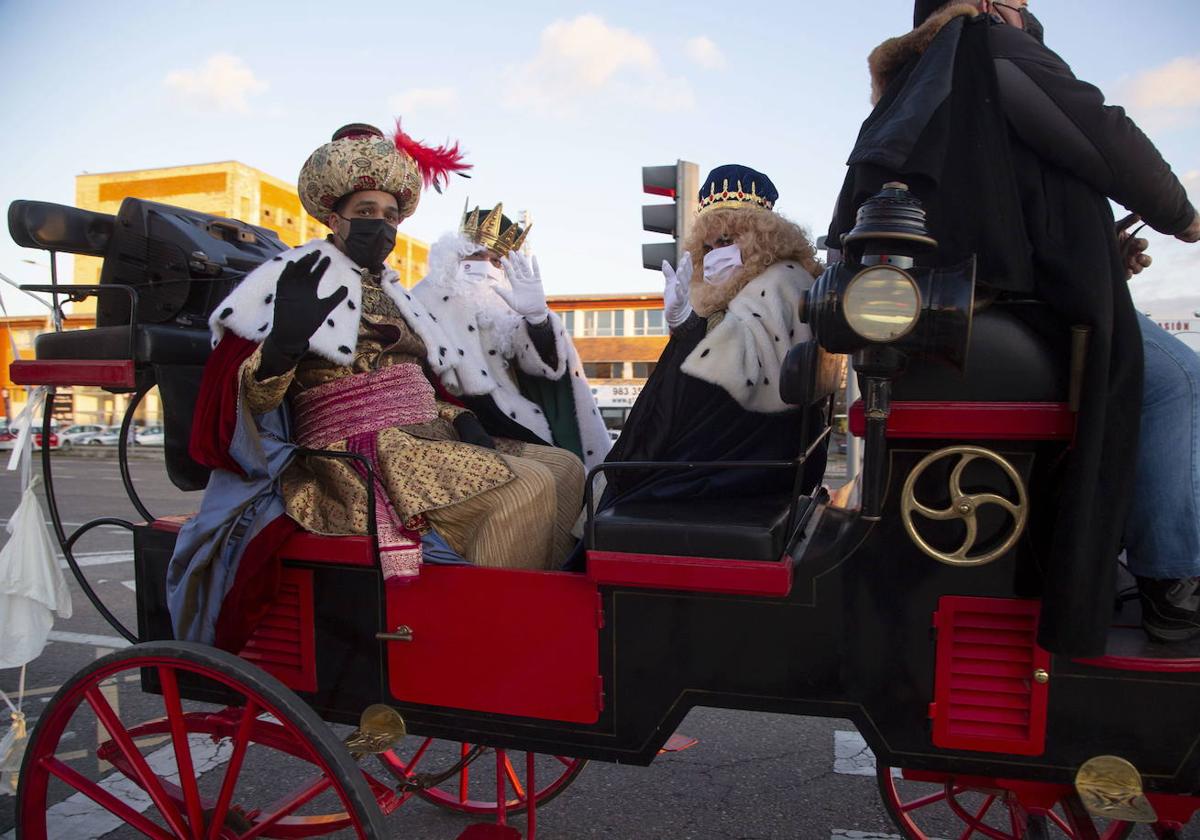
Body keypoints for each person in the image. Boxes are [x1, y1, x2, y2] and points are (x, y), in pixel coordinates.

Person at [826, 2, 1200, 654]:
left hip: (981, 305)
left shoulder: (927, 75)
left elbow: (996, 215)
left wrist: (1103, 249)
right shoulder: (986, 43)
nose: (1023, 10)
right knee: (1182, 383)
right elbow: (1103, 135)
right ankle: (1175, 585)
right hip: (1005, 313)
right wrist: (1182, 215)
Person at [168, 123, 564, 649]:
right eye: (366, 214)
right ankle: (480, 645)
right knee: (527, 489)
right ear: (334, 217)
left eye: (390, 216)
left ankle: (541, 619)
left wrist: (461, 418)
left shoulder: (395, 289)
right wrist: (284, 342)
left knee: (565, 467)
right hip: (354, 452)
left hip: (422, 432)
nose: (381, 226)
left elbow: (425, 382)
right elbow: (249, 401)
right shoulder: (291, 276)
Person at [586, 165, 827, 536]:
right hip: (731, 456)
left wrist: (687, 328)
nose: (716, 254)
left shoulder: (777, 284)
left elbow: (724, 382)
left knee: (619, 483)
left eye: (728, 241)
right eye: (709, 246)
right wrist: (686, 326)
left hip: (740, 464)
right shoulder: (755, 287)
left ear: (760, 238)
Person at [412, 202, 610, 560]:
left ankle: (554, 573)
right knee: (534, 482)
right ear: (454, 255)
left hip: (513, 421)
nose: (484, 266)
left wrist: (535, 318)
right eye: (475, 255)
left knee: (569, 468)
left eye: (496, 260)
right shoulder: (422, 298)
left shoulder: (501, 304)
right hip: (459, 425)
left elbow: (539, 364)